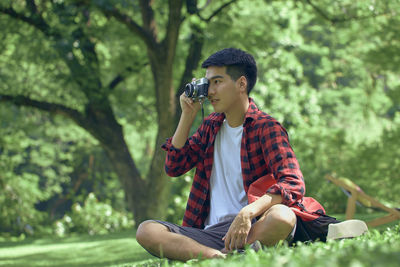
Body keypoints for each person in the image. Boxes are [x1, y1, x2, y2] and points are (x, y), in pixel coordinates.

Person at [136, 48, 367, 261]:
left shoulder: (266, 127)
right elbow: (174, 166)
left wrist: (247, 212)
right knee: (147, 230)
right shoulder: (210, 126)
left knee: (282, 216)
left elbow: (293, 183)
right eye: (208, 84)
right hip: (211, 233)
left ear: (241, 84)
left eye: (217, 82)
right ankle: (219, 258)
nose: (211, 91)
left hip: (253, 225)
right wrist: (187, 116)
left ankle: (236, 251)